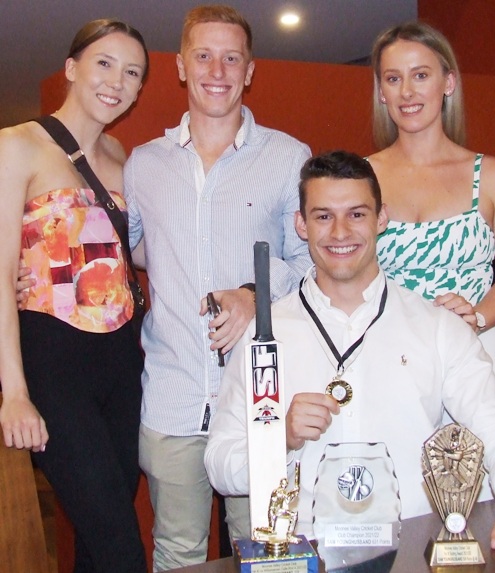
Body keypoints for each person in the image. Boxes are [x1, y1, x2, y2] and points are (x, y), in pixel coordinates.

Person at [205, 150, 495, 550]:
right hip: (307, 553)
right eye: (323, 216)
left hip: (413, 551)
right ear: (301, 225)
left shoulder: (436, 329)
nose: (340, 232)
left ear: (382, 219)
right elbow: (220, 464)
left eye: (357, 214)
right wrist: (279, 438)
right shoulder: (265, 338)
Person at [124, 5, 311, 570]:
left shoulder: (288, 157)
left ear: (250, 70)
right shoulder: (144, 165)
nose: (217, 69)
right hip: (173, 394)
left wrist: (252, 295)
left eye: (232, 57)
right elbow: (130, 251)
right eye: (203, 55)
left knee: (265, 552)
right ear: (181, 67)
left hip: (259, 400)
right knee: (177, 553)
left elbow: (310, 260)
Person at [0, 19, 149, 572]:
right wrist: (13, 391)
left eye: (132, 72)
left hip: (122, 359)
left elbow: (137, 256)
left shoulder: (123, 157)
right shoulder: (17, 145)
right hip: (53, 354)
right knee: (117, 537)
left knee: (97, 532)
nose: (117, 81)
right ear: (71, 68)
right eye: (104, 63)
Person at [369, 21, 495, 404]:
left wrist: (475, 317)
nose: (407, 91)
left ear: (448, 83)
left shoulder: (494, 176)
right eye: (393, 79)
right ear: (381, 92)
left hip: (473, 354)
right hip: (385, 355)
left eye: (421, 75)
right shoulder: (361, 179)